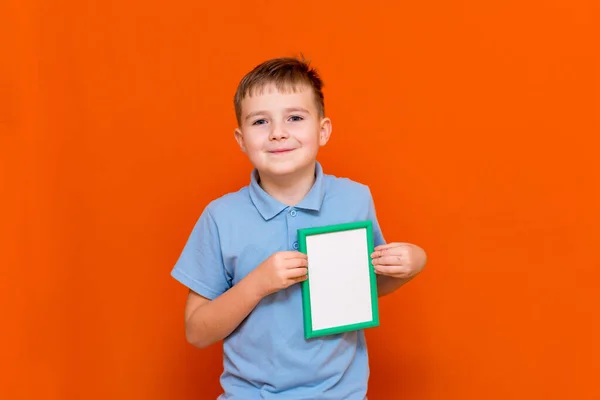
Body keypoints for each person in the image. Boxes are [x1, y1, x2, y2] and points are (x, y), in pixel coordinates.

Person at [171, 56, 427, 399]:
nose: (278, 132)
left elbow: (366, 287)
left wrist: (411, 264)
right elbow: (196, 332)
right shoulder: (220, 216)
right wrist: (258, 284)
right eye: (260, 121)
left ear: (323, 130)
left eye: (294, 117)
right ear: (241, 139)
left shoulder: (354, 199)